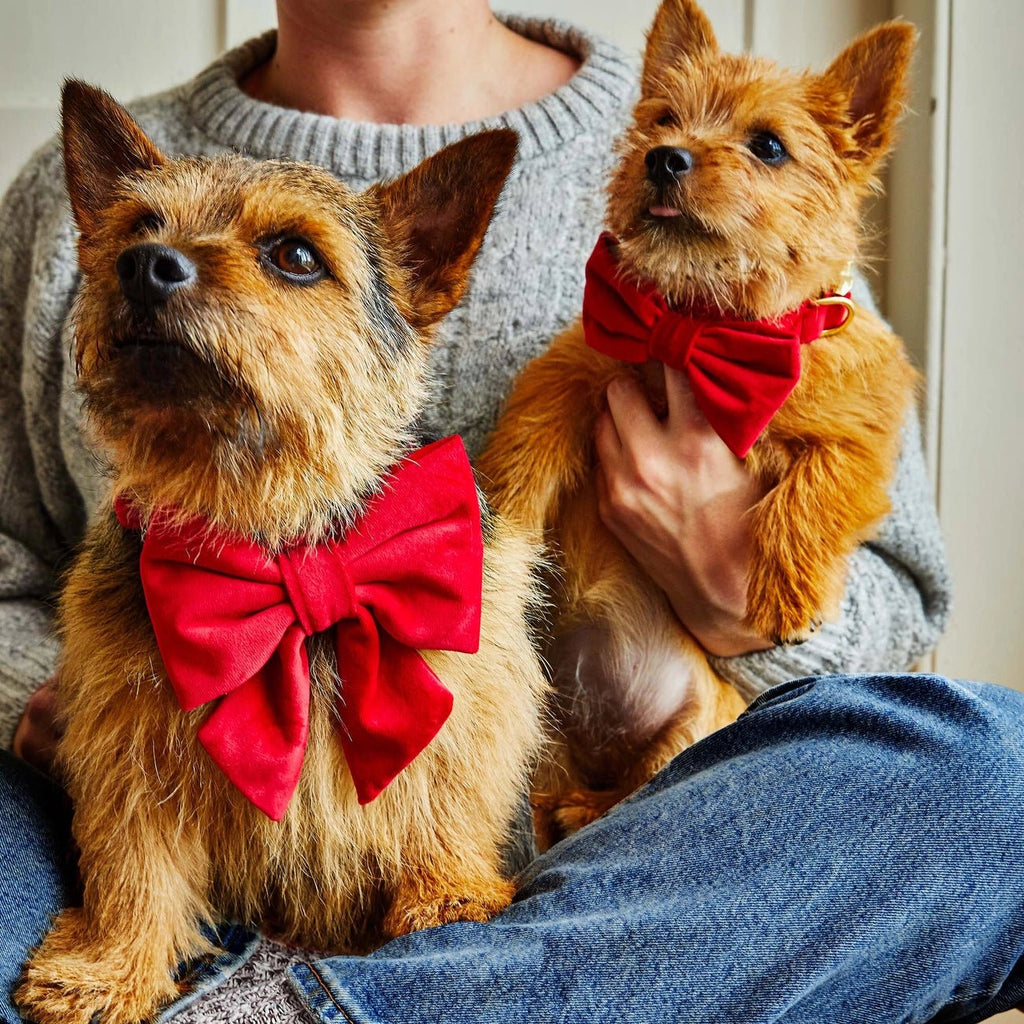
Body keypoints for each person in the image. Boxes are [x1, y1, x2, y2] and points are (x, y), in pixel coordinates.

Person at [0, 2, 991, 1023]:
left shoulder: (730, 179)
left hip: (589, 874)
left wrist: (750, 606)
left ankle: (320, 1004)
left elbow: (901, 614)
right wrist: (77, 703)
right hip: (142, 838)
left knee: (991, 777)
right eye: (137, 240)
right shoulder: (46, 202)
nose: (156, 262)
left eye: (291, 256)